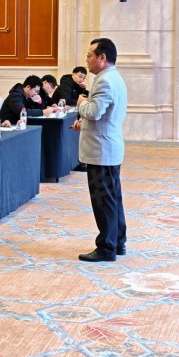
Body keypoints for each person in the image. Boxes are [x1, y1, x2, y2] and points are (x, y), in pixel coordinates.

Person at [72, 38, 128, 262]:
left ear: (102, 57)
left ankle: (106, 247)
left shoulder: (104, 80)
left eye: (89, 56)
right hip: (108, 147)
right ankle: (118, 242)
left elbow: (94, 112)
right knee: (113, 199)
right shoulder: (114, 77)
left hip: (101, 151)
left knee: (103, 201)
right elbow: (103, 113)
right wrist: (83, 121)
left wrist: (81, 103)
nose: (86, 60)